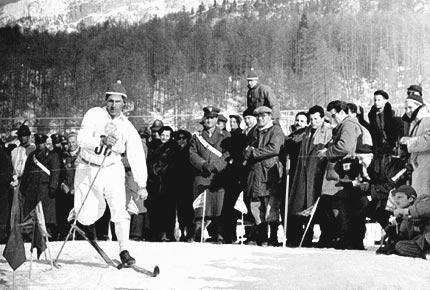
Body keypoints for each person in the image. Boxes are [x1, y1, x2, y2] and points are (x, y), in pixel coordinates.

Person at [74, 80, 148, 266]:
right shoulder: (94, 114)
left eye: (118, 102)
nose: (113, 105)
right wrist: (100, 142)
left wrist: (142, 184)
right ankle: (76, 213)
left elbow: (136, 154)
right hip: (88, 167)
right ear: (105, 101)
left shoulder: (127, 126)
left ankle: (124, 250)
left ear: (124, 103)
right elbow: (81, 138)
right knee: (87, 215)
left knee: (119, 210)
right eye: (110, 101)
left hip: (112, 168)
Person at [317, 100, 364, 249]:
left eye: (333, 115)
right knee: (340, 202)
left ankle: (347, 237)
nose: (332, 119)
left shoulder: (348, 125)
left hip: (345, 169)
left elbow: (345, 147)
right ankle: (346, 236)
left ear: (342, 112)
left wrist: (327, 152)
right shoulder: (344, 125)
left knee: (341, 202)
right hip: (341, 169)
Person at [287, 105, 332, 246]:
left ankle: (325, 237)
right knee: (302, 206)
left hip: (318, 173)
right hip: (304, 173)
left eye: (316, 119)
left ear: (322, 118)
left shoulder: (328, 132)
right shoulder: (306, 132)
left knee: (319, 206)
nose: (313, 122)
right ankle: (305, 235)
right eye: (311, 119)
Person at [243, 106, 285, 246]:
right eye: (258, 116)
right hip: (254, 172)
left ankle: (272, 236)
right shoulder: (254, 131)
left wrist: (254, 153)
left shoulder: (275, 130)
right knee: (255, 204)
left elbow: (275, 148)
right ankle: (260, 235)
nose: (260, 118)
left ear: (269, 116)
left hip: (269, 173)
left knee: (270, 205)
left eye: (263, 116)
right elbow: (247, 147)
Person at [189, 106, 231, 243]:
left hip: (219, 176)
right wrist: (203, 164)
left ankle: (219, 233)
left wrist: (217, 166)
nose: (209, 120)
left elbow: (228, 153)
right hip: (202, 175)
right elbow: (192, 154)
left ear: (216, 119)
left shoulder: (225, 136)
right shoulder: (197, 136)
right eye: (207, 117)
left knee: (219, 205)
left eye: (212, 118)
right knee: (201, 206)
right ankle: (198, 232)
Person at [20, 133, 61, 238]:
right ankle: (32, 235)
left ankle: (48, 233)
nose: (40, 145)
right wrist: (23, 187)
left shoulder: (52, 155)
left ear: (45, 143)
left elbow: (55, 172)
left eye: (41, 143)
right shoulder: (32, 156)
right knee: (32, 212)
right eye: (38, 143)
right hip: (32, 188)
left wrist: (53, 187)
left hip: (45, 188)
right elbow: (27, 172)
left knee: (46, 213)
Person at [377, 185, 430, 259]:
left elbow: (426, 208)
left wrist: (406, 211)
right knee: (399, 246)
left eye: (399, 197)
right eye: (395, 198)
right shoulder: (405, 218)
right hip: (423, 244)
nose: (396, 200)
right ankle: (426, 253)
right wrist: (391, 229)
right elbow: (403, 236)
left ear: (411, 199)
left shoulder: (423, 200)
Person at [146, 126, 179, 242]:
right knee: (155, 208)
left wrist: (160, 170)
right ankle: (155, 233)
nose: (164, 138)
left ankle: (168, 233)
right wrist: (152, 172)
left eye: (167, 136)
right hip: (154, 183)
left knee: (169, 209)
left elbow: (174, 165)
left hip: (169, 182)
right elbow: (149, 162)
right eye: (163, 135)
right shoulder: (153, 145)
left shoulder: (174, 147)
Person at [399, 85, 430, 198]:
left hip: (426, 167)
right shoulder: (415, 121)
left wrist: (408, 142)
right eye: (406, 108)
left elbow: (428, 140)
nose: (407, 111)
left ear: (418, 106)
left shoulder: (427, 119)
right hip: (419, 167)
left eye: (410, 108)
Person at [368, 90, 399, 173]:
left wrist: (393, 145)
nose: (376, 102)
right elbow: (372, 131)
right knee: (377, 171)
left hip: (391, 146)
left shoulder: (392, 113)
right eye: (375, 100)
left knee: (388, 170)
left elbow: (396, 130)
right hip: (378, 147)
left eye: (379, 100)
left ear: (385, 101)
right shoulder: (372, 115)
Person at [172, 129, 194, 242]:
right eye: (178, 138)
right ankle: (182, 232)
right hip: (177, 183)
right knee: (180, 210)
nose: (181, 140)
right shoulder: (173, 151)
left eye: (183, 138)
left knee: (189, 209)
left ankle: (190, 232)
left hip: (189, 183)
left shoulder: (190, 150)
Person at [56, 133, 80, 240]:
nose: (71, 144)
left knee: (80, 215)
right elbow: (59, 173)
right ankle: (66, 234)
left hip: (78, 191)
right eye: (69, 142)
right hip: (66, 190)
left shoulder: (82, 155)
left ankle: (80, 235)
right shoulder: (63, 156)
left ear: (78, 142)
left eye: (73, 142)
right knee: (66, 214)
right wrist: (62, 184)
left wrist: (77, 187)